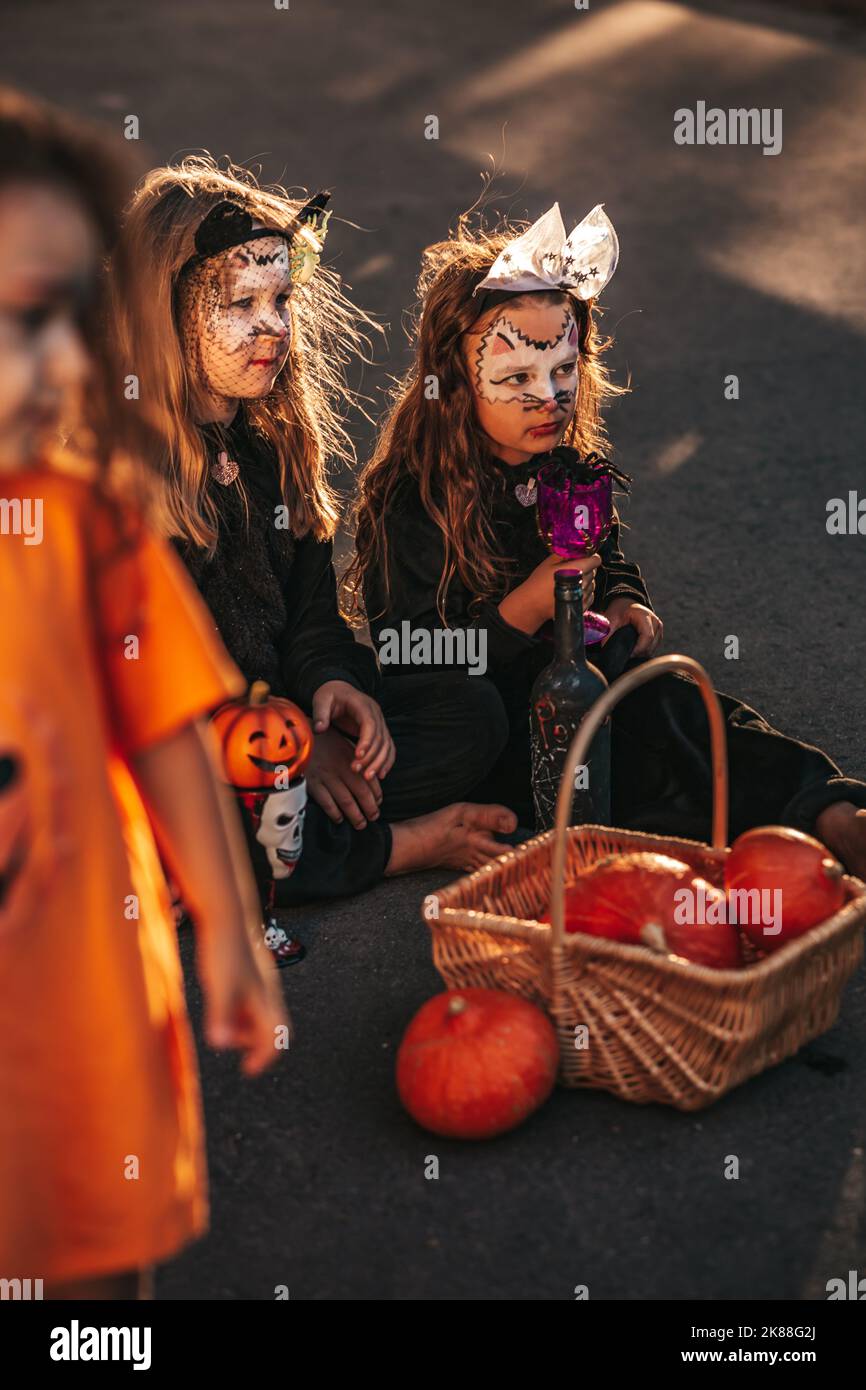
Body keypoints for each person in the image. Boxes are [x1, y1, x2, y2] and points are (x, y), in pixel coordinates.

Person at [346, 203, 866, 875]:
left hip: (581, 687)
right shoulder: (410, 500)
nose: (548, 398)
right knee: (616, 761)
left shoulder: (566, 469)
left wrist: (622, 597)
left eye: (563, 371)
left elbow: (607, 554)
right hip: (482, 721)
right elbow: (405, 650)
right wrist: (520, 614)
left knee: (678, 706)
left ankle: (827, 810)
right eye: (516, 379)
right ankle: (702, 824)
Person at [0, 87, 287, 1300]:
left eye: (78, 315)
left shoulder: (84, 514)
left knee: (94, 1295)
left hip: (77, 1011)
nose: (66, 356)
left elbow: (166, 717)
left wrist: (226, 927)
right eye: (23, 317)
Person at [114, 157, 517, 921]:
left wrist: (333, 691)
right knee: (215, 806)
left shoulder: (266, 444)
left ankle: (296, 833)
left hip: (278, 731)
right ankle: (393, 845)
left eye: (282, 298)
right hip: (181, 745)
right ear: (162, 317)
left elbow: (310, 618)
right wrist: (291, 745)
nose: (273, 325)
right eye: (242, 303)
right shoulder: (129, 480)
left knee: (471, 714)